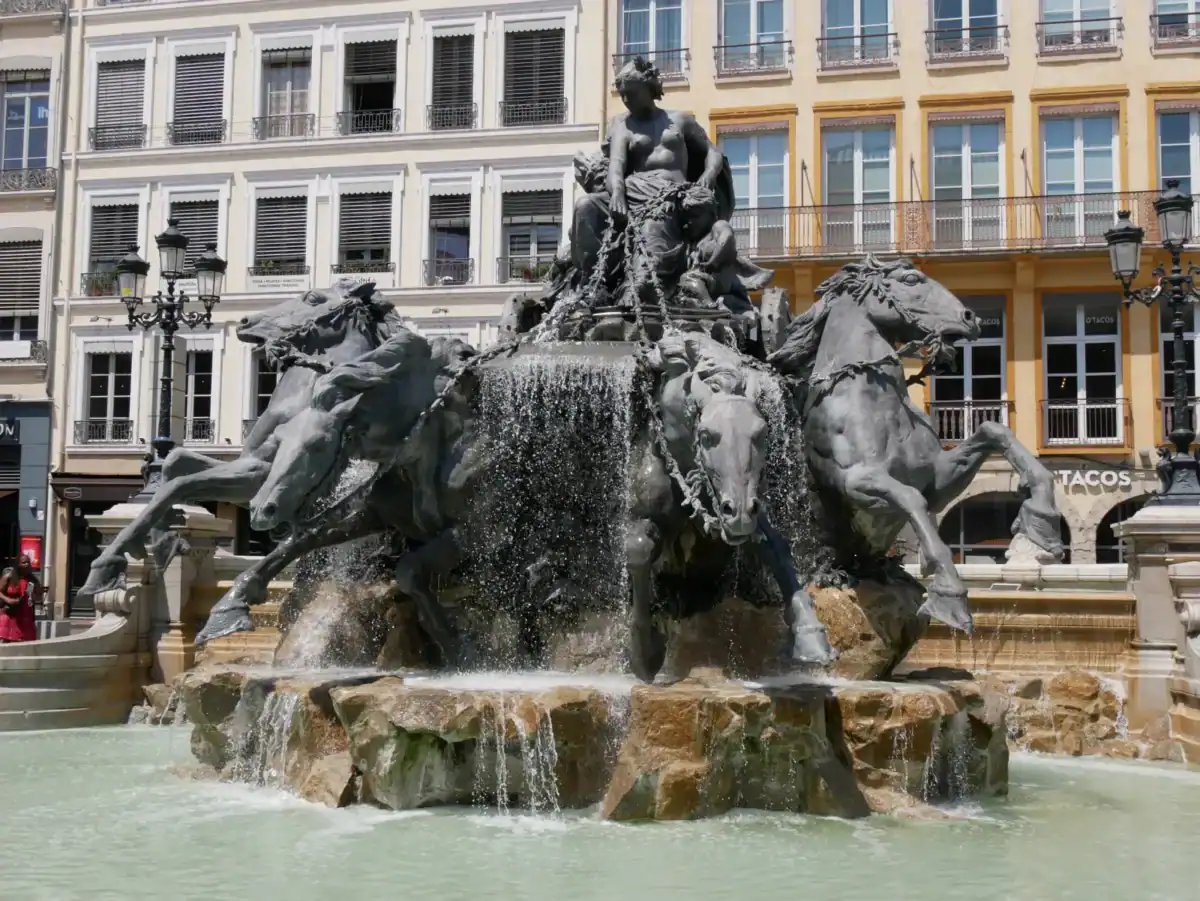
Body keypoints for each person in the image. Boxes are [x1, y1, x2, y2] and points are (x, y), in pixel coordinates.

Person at [0, 554, 39, 644]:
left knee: (25, 642)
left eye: (28, 562)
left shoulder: (32, 579)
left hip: (26, 614)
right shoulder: (9, 576)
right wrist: (7, 599)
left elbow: (37, 594)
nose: (27, 564)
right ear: (18, 564)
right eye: (24, 562)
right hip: (10, 613)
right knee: (6, 641)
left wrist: (37, 592)